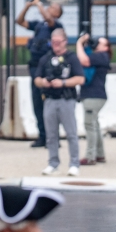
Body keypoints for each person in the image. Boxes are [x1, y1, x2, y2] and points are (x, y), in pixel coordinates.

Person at [33, 28, 85, 177]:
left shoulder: (71, 58)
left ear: (65, 41)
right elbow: (36, 79)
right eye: (53, 42)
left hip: (66, 99)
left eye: (58, 42)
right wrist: (44, 82)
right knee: (51, 135)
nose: (55, 45)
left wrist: (63, 83)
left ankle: (74, 164)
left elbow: (80, 79)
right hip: (49, 99)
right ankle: (53, 163)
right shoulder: (46, 58)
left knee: (71, 133)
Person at [16, 0, 64, 148]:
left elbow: (49, 20)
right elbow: (20, 21)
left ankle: (53, 137)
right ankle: (42, 136)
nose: (49, 9)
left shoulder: (56, 26)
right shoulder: (38, 25)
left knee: (50, 102)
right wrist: (28, 6)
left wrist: (39, 4)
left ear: (57, 13)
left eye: (52, 8)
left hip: (49, 67)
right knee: (37, 102)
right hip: (35, 66)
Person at [75, 34, 111, 165]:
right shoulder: (98, 56)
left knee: (89, 125)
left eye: (100, 43)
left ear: (106, 47)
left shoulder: (101, 56)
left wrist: (79, 43)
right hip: (94, 96)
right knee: (94, 125)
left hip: (93, 96)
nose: (96, 44)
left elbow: (83, 60)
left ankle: (90, 156)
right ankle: (100, 154)